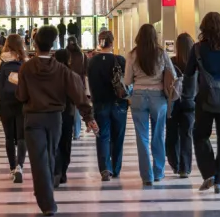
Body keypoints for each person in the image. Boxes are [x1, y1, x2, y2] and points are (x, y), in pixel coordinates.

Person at [16, 25, 97, 216]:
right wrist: (88, 117)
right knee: (50, 156)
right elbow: (78, 93)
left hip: (33, 118)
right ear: (53, 44)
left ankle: (46, 200)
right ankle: (46, 194)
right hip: (55, 119)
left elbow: (21, 95)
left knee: (38, 159)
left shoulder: (26, 68)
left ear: (35, 44)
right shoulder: (62, 70)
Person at [186, 12, 220, 194]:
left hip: (205, 99)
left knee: (200, 135)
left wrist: (186, 95)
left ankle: (209, 173)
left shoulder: (198, 48)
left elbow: (189, 72)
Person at [125, 24, 175, 186]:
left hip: (138, 96)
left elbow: (126, 81)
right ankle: (159, 172)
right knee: (158, 135)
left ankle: (147, 177)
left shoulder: (132, 54)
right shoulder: (161, 53)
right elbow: (173, 74)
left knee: (142, 137)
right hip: (158, 98)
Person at [87, 31, 128, 181]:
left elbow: (89, 84)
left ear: (99, 42)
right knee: (118, 136)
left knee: (102, 136)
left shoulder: (92, 62)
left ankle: (105, 168)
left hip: (100, 104)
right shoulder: (120, 60)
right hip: (119, 104)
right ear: (112, 42)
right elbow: (127, 82)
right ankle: (116, 168)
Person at [0, 34, 28, 183]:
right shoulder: (24, 61)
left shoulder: (1, 61)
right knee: (22, 136)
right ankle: (20, 166)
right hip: (22, 103)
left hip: (5, 103)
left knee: (9, 137)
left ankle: (12, 167)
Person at [166, 33, 196, 178]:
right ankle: (185, 168)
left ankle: (175, 164)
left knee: (171, 134)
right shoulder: (197, 63)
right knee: (186, 135)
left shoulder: (172, 62)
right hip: (190, 103)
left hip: (173, 103)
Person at [52, 49, 77, 187]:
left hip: (53, 112)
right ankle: (63, 172)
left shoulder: (51, 74)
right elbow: (77, 95)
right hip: (68, 112)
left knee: (54, 142)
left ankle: (56, 169)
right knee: (66, 143)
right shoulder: (71, 75)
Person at [64, 36, 87, 141]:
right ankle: (76, 133)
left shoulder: (65, 54)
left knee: (66, 109)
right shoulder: (82, 55)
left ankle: (68, 131)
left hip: (65, 84)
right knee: (77, 110)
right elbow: (86, 71)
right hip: (79, 84)